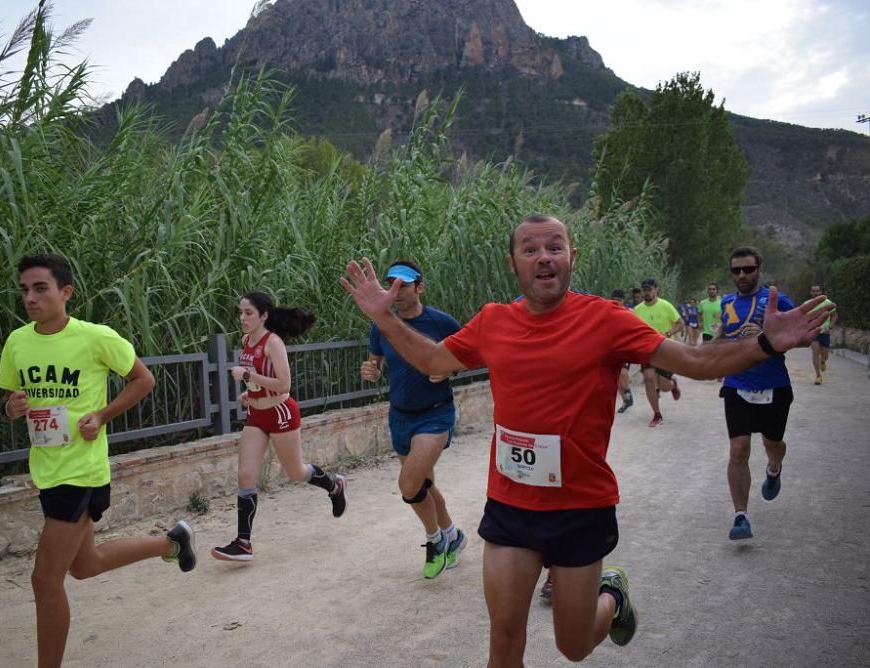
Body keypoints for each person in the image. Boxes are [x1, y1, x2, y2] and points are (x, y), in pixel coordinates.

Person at [340, 214, 828, 665]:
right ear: (513, 263)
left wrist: (765, 343)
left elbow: (696, 363)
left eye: (555, 246)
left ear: (573, 255)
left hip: (581, 508)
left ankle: (611, 598)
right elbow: (431, 361)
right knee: (504, 641)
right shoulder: (493, 322)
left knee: (572, 646)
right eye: (530, 250)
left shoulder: (606, 320)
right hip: (512, 507)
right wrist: (385, 318)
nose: (544, 256)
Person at [0, 254, 197, 668]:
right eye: (24, 289)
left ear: (65, 292)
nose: (29, 297)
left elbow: (143, 379)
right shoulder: (18, 342)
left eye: (40, 288)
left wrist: (102, 416)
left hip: (82, 470)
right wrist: (10, 409)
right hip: (46, 470)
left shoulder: (95, 337)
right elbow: (10, 399)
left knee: (45, 579)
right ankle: (171, 542)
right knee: (86, 566)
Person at [212, 291, 347, 561]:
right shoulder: (246, 341)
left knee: (295, 472)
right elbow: (259, 382)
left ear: (264, 315)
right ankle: (243, 544)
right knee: (245, 476)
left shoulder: (273, 343)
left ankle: (335, 487)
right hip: (256, 416)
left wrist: (249, 375)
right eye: (240, 313)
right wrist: (250, 393)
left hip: (281, 413)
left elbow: (284, 385)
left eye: (248, 313)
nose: (242, 318)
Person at [359, 260, 467, 579]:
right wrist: (371, 371)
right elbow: (375, 362)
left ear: (419, 287)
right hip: (400, 416)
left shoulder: (442, 323)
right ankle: (453, 535)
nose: (396, 291)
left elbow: (469, 356)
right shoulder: (382, 325)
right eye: (390, 284)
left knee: (409, 484)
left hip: (436, 415)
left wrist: (450, 369)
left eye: (403, 285)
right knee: (424, 484)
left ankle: (434, 542)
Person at [711, 247, 796, 541]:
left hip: (774, 384)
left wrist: (763, 339)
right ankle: (741, 516)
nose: (742, 275)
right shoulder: (727, 303)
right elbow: (723, 337)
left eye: (748, 269)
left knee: (773, 444)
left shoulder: (777, 300)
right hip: (737, 384)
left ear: (759, 268)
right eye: (736, 270)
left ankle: (774, 468)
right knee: (738, 449)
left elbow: (792, 338)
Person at [633, 278, 684, 427]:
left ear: (656, 290)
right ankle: (657, 414)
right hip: (647, 350)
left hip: (665, 349)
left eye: (649, 289)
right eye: (645, 290)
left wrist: (667, 333)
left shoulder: (666, 305)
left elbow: (680, 324)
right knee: (649, 378)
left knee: (664, 386)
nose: (647, 292)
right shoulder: (638, 310)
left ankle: (673, 385)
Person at [610, 289, 635, 414]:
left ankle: (628, 397)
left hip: (625, 347)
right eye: (614, 299)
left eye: (619, 300)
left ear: (623, 301)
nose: (616, 302)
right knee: (617, 377)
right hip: (610, 348)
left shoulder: (629, 312)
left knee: (623, 373)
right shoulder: (606, 311)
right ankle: (626, 399)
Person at [808, 285, 837, 385]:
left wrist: (831, 326)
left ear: (821, 292)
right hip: (813, 332)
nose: (816, 293)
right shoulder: (807, 304)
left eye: (817, 291)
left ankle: (823, 361)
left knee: (825, 355)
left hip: (825, 332)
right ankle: (818, 376)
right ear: (810, 293)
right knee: (815, 353)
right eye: (813, 291)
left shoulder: (827, 303)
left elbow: (834, 315)